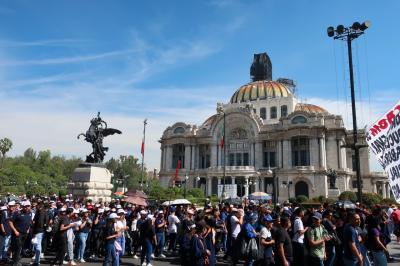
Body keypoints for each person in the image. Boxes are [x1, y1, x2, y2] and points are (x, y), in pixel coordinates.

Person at [9, 200, 33, 266]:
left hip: (25, 234)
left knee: (20, 247)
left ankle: (16, 260)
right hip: (17, 233)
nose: (27, 207)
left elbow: (29, 222)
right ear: (23, 206)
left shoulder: (30, 213)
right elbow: (10, 222)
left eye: (28, 206)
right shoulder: (17, 213)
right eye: (26, 206)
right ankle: (15, 263)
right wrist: (15, 231)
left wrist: (28, 229)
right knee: (18, 247)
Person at [32, 201, 49, 266]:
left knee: (38, 245)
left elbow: (39, 222)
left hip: (39, 230)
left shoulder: (40, 212)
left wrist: (35, 231)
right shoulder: (45, 212)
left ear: (39, 206)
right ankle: (37, 260)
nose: (36, 206)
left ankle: (37, 261)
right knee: (38, 245)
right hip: (42, 230)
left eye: (37, 205)